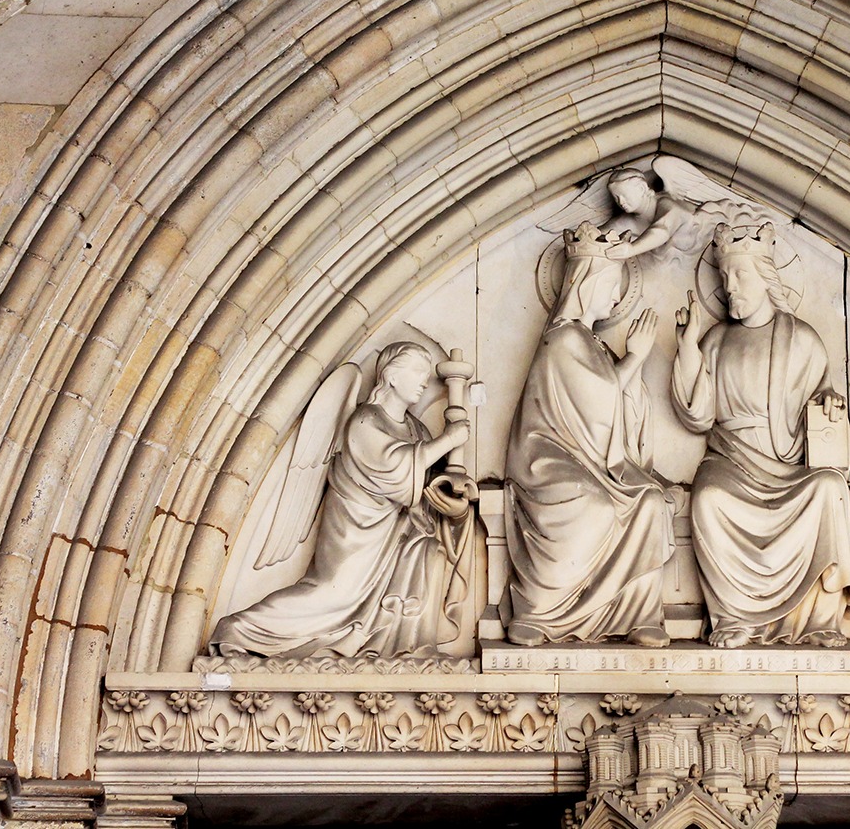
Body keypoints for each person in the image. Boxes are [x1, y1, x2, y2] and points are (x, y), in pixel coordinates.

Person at [210, 342, 473, 657]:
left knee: (430, 552)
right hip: (357, 533)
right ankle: (239, 631)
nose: (424, 381)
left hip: (400, 537)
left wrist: (457, 508)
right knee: (332, 595)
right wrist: (449, 440)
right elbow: (393, 469)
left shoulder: (417, 430)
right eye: (417, 371)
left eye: (427, 374)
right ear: (390, 375)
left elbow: (428, 491)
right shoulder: (365, 420)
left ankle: (401, 647)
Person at [671, 223, 850, 648]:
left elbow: (822, 393)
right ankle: (734, 618)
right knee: (709, 499)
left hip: (785, 463)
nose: (730, 287)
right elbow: (697, 415)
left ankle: (817, 620)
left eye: (740, 276)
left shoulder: (801, 339)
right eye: (724, 278)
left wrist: (831, 400)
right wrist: (686, 348)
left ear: (765, 276)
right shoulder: (716, 339)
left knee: (829, 487)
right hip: (731, 459)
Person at [505, 221, 674, 647]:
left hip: (595, 462)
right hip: (550, 461)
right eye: (610, 286)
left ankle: (638, 616)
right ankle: (540, 613)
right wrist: (635, 358)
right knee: (593, 505)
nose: (616, 298)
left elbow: (619, 405)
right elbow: (598, 401)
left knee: (652, 501)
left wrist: (632, 374)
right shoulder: (564, 339)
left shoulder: (592, 343)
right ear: (585, 284)